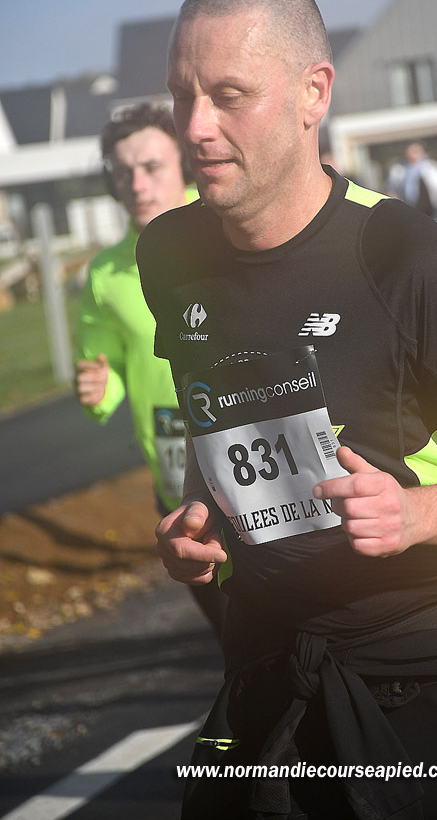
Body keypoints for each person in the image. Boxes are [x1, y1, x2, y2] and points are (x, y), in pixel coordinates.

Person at [136, 0, 437, 820]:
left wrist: (415, 513)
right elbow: (218, 419)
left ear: (313, 93)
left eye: (229, 95)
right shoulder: (168, 254)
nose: (196, 126)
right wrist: (196, 525)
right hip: (272, 662)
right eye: (182, 95)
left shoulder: (406, 255)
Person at [75, 103, 226, 638]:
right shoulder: (105, 273)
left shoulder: (227, 231)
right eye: (123, 173)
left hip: (253, 452)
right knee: (230, 635)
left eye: (151, 167)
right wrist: (100, 388)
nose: (137, 185)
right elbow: (109, 365)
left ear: (183, 164)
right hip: (176, 474)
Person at [385, 141, 437, 221]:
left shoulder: (431, 168)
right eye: (410, 152)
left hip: (432, 211)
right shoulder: (399, 170)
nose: (412, 155)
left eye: (415, 151)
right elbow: (391, 190)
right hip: (410, 212)